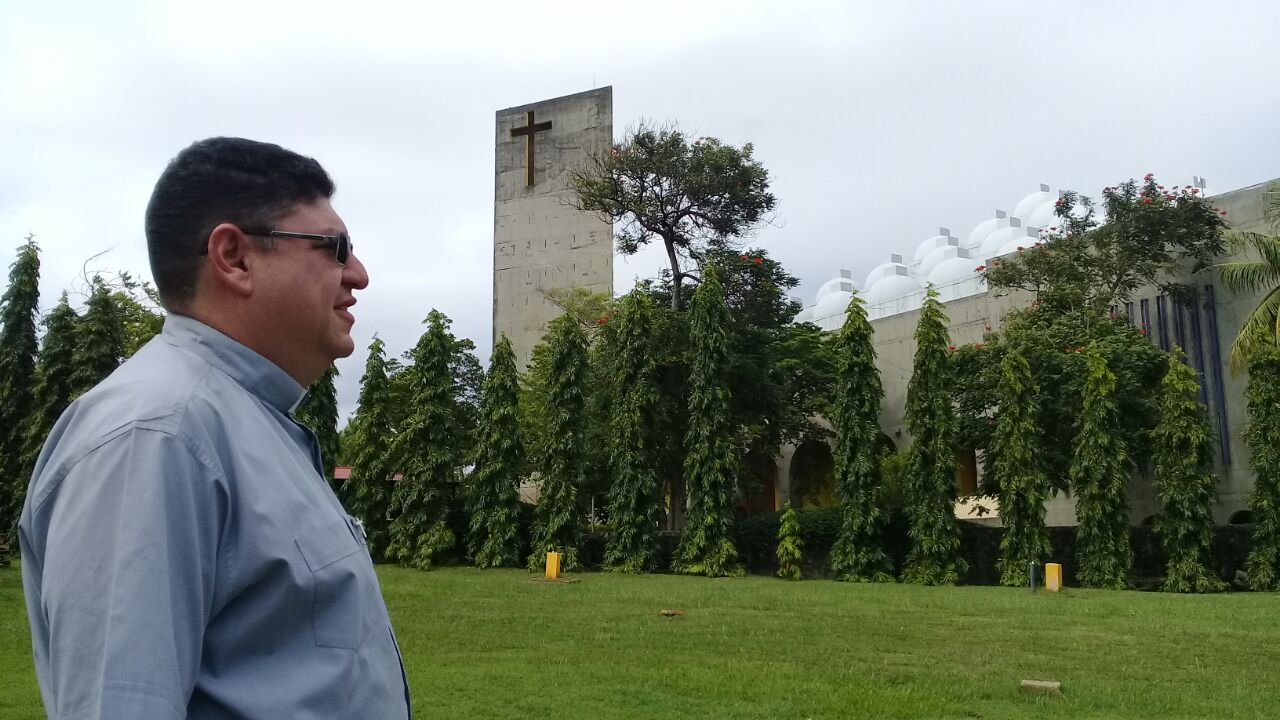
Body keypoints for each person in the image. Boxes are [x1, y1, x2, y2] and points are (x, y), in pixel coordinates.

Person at [18, 137, 411, 719]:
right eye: (335, 248)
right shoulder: (156, 436)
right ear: (234, 257)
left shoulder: (242, 423)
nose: (359, 274)